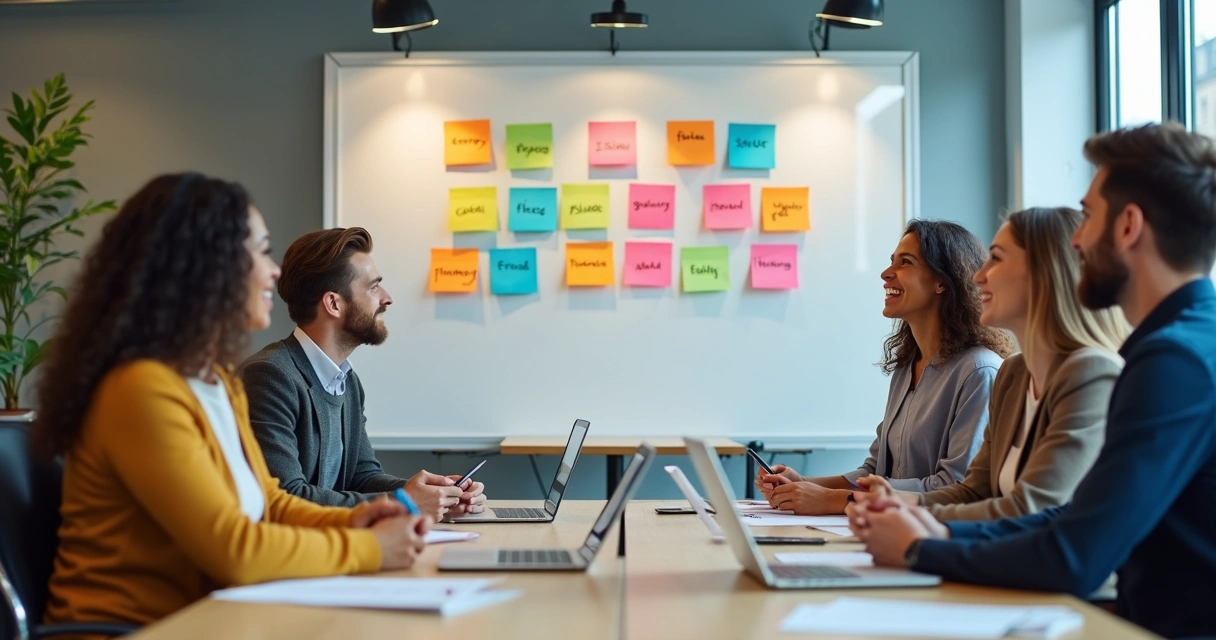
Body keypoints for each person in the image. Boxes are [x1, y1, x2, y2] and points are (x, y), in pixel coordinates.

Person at [848, 122, 1216, 640]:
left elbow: (1077, 554)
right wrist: (934, 532)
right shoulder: (1180, 344)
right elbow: (1071, 519)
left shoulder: (1172, 361)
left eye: (1087, 217)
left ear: (1129, 226)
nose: (1078, 239)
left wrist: (920, 548)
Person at [35, 174, 428, 628]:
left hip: (211, 618)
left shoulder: (215, 381)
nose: (274, 271)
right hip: (141, 630)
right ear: (205, 266)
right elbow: (234, 550)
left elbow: (271, 503)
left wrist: (362, 518)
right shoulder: (139, 389)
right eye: (260, 251)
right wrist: (372, 548)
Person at [860, 207, 1128, 520]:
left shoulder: (1092, 373)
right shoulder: (1013, 374)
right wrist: (900, 506)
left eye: (997, 259)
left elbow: (1029, 510)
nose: (978, 275)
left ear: (1044, 274)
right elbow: (974, 491)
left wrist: (919, 529)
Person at [757, 220, 1012, 514]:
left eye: (905, 262)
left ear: (942, 281)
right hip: (887, 527)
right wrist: (803, 484)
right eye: (892, 261)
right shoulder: (907, 368)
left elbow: (956, 487)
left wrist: (831, 500)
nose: (886, 274)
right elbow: (875, 472)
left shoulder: (980, 371)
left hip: (933, 537)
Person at [240, 227, 485, 521]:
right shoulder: (271, 376)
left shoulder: (347, 381)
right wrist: (404, 502)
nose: (387, 298)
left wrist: (437, 494)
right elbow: (288, 497)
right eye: (373, 287)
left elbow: (361, 475)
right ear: (333, 303)